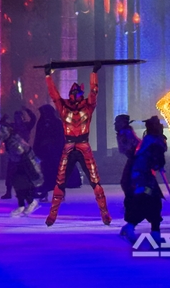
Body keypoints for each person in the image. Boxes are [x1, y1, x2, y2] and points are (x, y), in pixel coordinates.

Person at [43, 63, 111, 226]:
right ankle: (52, 216)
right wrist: (48, 76)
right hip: (74, 146)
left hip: (79, 145)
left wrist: (94, 73)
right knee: (64, 182)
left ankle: (104, 214)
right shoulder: (73, 105)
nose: (75, 95)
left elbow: (93, 92)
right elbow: (55, 94)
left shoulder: (81, 105)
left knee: (93, 182)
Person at [119, 116, 167, 244]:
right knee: (147, 201)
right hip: (142, 178)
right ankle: (132, 227)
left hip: (143, 176)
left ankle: (153, 232)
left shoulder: (150, 140)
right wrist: (158, 164)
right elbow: (154, 160)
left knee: (153, 202)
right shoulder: (153, 141)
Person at [0, 113, 43, 217]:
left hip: (23, 164)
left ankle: (29, 202)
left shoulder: (13, 141)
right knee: (18, 184)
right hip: (19, 163)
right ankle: (23, 204)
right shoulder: (10, 139)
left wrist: (27, 168)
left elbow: (22, 153)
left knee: (22, 184)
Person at [1, 107, 36, 200]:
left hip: (24, 153)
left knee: (27, 173)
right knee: (10, 173)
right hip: (14, 153)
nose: (18, 119)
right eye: (16, 117)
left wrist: (27, 110)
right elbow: (3, 125)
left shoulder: (26, 126)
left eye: (19, 117)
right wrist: (4, 119)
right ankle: (8, 192)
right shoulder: (12, 127)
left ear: (22, 118)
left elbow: (33, 119)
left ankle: (29, 192)